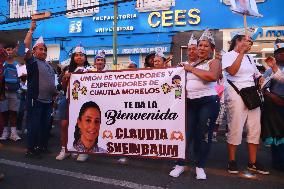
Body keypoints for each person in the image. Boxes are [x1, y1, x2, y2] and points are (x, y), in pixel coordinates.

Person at [170, 30, 221, 180]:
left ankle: (200, 166)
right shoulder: (187, 64)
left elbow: (212, 77)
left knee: (203, 135)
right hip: (190, 104)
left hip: (208, 103)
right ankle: (180, 164)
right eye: (200, 45)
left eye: (206, 46)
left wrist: (190, 69)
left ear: (212, 49)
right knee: (185, 135)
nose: (202, 48)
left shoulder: (214, 62)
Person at [222, 32, 269, 175]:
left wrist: (260, 77)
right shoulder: (228, 55)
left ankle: (252, 162)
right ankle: (232, 160)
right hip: (236, 93)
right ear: (238, 41)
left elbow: (256, 73)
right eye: (246, 41)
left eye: (250, 42)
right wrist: (241, 53)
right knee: (235, 126)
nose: (249, 44)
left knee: (255, 128)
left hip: (251, 94)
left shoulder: (249, 57)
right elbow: (233, 71)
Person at [24, 20, 57, 158]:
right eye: (40, 49)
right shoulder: (32, 62)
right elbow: (26, 45)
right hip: (35, 100)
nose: (43, 52)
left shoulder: (49, 66)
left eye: (45, 50)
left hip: (48, 101)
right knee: (34, 125)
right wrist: (31, 30)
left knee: (45, 126)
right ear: (34, 51)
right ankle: (31, 150)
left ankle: (42, 146)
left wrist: (54, 95)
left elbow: (52, 83)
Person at [56, 45, 91, 161]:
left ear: (85, 57)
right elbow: (63, 87)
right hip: (68, 100)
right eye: (76, 55)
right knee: (64, 125)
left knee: (83, 126)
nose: (79, 57)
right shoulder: (67, 70)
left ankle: (83, 150)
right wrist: (65, 78)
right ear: (73, 57)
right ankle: (65, 149)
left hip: (84, 102)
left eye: (81, 55)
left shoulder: (91, 70)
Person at [261, 38, 284, 172]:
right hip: (276, 107)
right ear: (275, 55)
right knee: (278, 136)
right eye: (279, 52)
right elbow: (263, 88)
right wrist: (273, 96)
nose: (282, 54)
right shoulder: (269, 71)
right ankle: (278, 162)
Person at [0, 43, 21, 141]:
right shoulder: (2, 63)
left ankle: (13, 133)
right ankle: (5, 133)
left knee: (13, 113)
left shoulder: (18, 65)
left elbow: (22, 79)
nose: (9, 52)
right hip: (3, 92)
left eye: (10, 49)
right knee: (4, 113)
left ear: (14, 51)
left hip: (14, 92)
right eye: (7, 50)